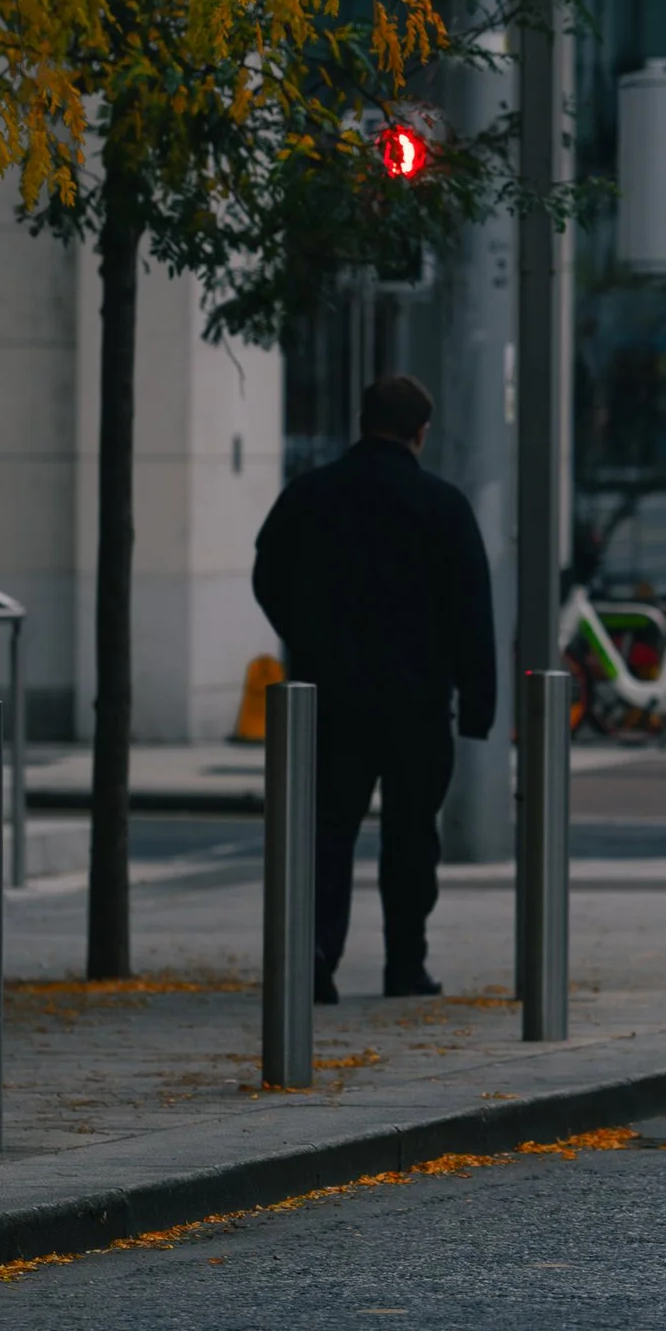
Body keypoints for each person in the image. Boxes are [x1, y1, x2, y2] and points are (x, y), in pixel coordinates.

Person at [251, 373, 498, 1003]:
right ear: (421, 432)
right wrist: (477, 704)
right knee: (412, 838)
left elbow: (268, 576)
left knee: (328, 833)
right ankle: (405, 963)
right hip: (416, 704)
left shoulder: (310, 496)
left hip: (331, 700)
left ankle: (316, 957)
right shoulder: (442, 506)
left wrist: (308, 640)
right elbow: (472, 611)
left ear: (363, 422)